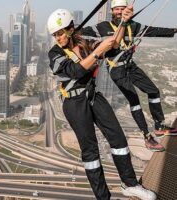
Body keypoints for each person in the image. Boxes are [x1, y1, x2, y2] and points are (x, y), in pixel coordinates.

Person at [47, 6, 156, 200]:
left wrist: (123, 21)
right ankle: (103, 197)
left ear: (70, 29)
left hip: (93, 96)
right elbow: (75, 71)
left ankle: (129, 184)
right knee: (91, 151)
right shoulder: (54, 54)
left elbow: (113, 44)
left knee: (119, 139)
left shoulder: (84, 42)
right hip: (74, 103)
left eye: (60, 33)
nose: (58, 38)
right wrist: (98, 52)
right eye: (55, 35)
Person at [82, 0, 177, 152]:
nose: (119, 12)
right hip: (116, 69)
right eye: (116, 9)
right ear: (112, 11)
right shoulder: (103, 27)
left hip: (130, 66)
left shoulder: (133, 26)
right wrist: (95, 47)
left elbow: (154, 30)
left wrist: (175, 30)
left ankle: (159, 126)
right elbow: (81, 33)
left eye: (122, 9)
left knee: (154, 91)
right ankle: (147, 137)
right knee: (135, 102)